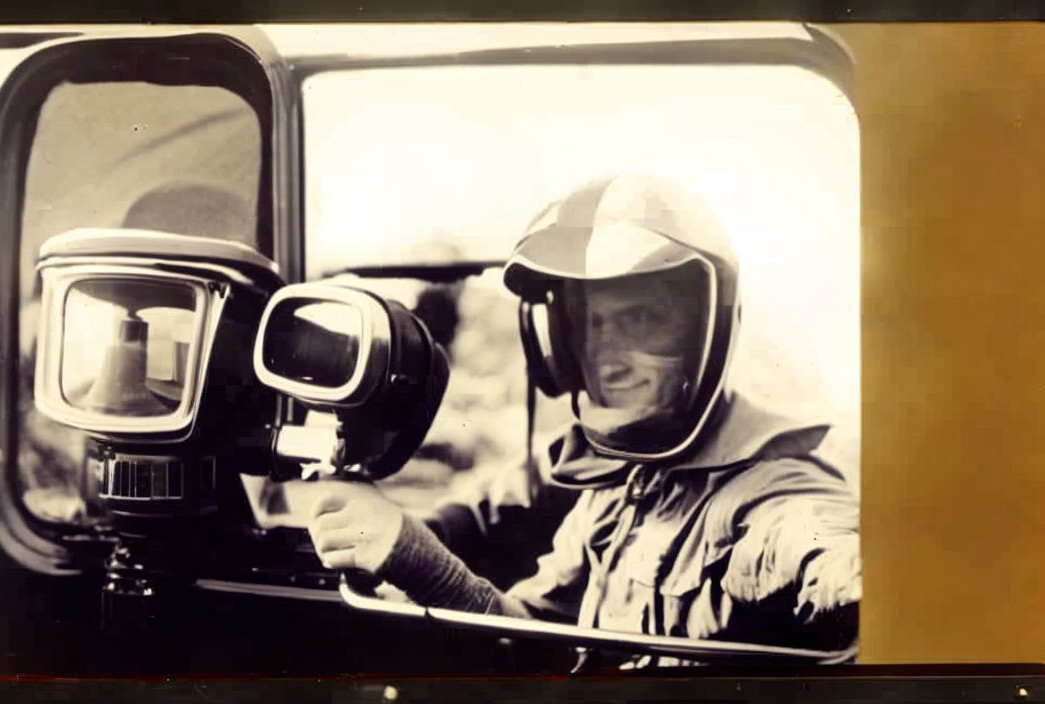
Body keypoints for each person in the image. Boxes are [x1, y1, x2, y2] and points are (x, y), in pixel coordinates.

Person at [306, 174, 861, 667]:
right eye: (591, 325)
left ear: (705, 331)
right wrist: (398, 537)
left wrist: (413, 556)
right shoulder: (621, 472)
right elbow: (531, 643)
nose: (608, 356)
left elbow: (825, 544)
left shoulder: (771, 496)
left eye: (641, 319)